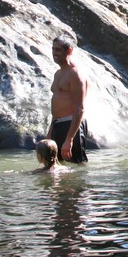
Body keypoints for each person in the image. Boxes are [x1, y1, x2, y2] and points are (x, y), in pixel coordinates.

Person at [47, 35, 89, 163]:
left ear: (69, 51)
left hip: (71, 125)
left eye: (58, 50)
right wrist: (50, 132)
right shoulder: (58, 73)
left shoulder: (75, 74)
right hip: (57, 125)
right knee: (56, 165)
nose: (55, 53)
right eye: (53, 49)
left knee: (76, 165)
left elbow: (80, 108)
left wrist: (69, 139)